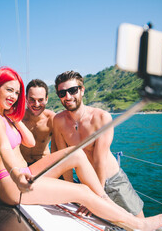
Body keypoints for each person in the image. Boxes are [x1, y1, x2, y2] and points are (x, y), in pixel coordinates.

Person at [0, 66, 162, 231]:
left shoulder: (5, 117)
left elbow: (29, 142)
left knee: (76, 154)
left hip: (25, 172)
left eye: (16, 92)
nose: (13, 96)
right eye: (8, 90)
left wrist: (14, 118)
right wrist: (15, 174)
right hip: (12, 184)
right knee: (82, 192)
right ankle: (137, 224)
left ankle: (103, 198)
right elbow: (5, 149)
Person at [53, 70, 144, 217]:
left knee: (138, 222)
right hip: (86, 183)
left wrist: (97, 198)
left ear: (82, 90)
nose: (68, 97)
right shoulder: (59, 121)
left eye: (72, 90)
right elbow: (65, 160)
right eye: (62, 93)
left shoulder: (101, 118)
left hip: (112, 181)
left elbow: (99, 160)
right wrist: (70, 193)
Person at [20, 79, 56, 165]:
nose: (36, 104)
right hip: (22, 165)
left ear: (46, 99)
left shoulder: (52, 119)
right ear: (26, 98)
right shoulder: (18, 119)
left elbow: (59, 149)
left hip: (44, 165)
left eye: (40, 100)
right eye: (32, 99)